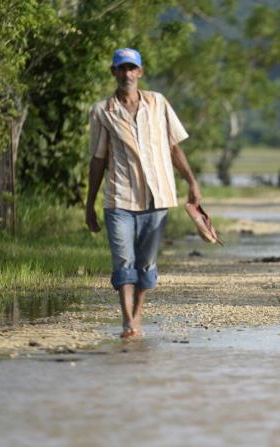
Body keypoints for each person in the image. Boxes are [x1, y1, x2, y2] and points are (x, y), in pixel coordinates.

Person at [85, 48, 202, 339]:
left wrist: (192, 182)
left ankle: (137, 315)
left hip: (158, 198)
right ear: (113, 72)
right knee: (123, 262)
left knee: (146, 263)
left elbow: (174, 147)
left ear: (140, 72)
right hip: (119, 199)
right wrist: (89, 204)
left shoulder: (158, 103)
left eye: (131, 69)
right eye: (121, 69)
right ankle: (128, 322)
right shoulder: (102, 111)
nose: (126, 74)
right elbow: (98, 159)